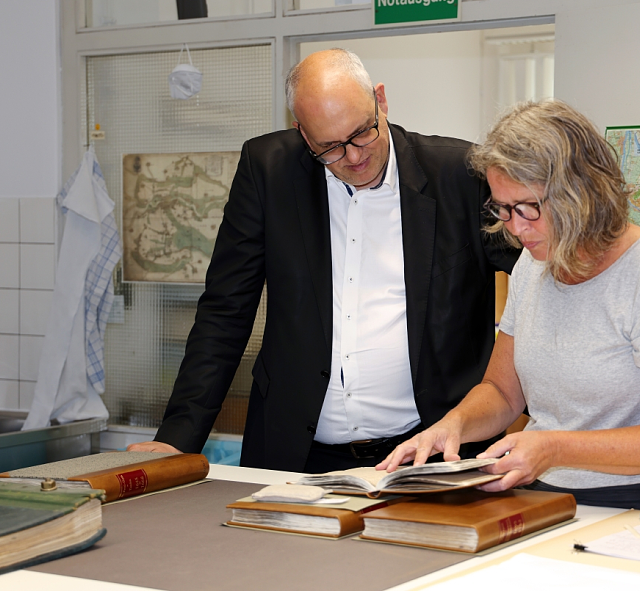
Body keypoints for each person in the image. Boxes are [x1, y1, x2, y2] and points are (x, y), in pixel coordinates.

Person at [128, 49, 517, 472]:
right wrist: (176, 438)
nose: (353, 157)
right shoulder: (269, 172)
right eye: (329, 148)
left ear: (380, 101)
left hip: (430, 452)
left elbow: (540, 282)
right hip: (296, 453)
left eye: (362, 133)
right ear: (302, 133)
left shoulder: (460, 175)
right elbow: (226, 310)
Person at [378, 100, 640, 515]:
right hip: (546, 500)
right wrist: (454, 425)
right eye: (503, 209)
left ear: (580, 193)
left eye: (528, 208)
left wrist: (553, 446)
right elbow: (503, 392)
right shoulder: (532, 265)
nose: (516, 229)